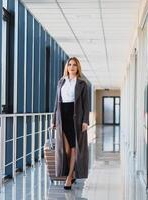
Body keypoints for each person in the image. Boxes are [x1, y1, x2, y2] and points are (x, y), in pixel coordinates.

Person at [51, 57, 89, 190]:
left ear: (78, 68)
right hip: (63, 118)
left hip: (76, 118)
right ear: (66, 67)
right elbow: (57, 102)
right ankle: (71, 173)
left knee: (74, 148)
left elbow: (85, 104)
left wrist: (85, 121)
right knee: (66, 149)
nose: (72, 67)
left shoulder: (82, 84)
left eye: (74, 65)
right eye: (70, 65)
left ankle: (69, 177)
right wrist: (54, 119)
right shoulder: (61, 82)